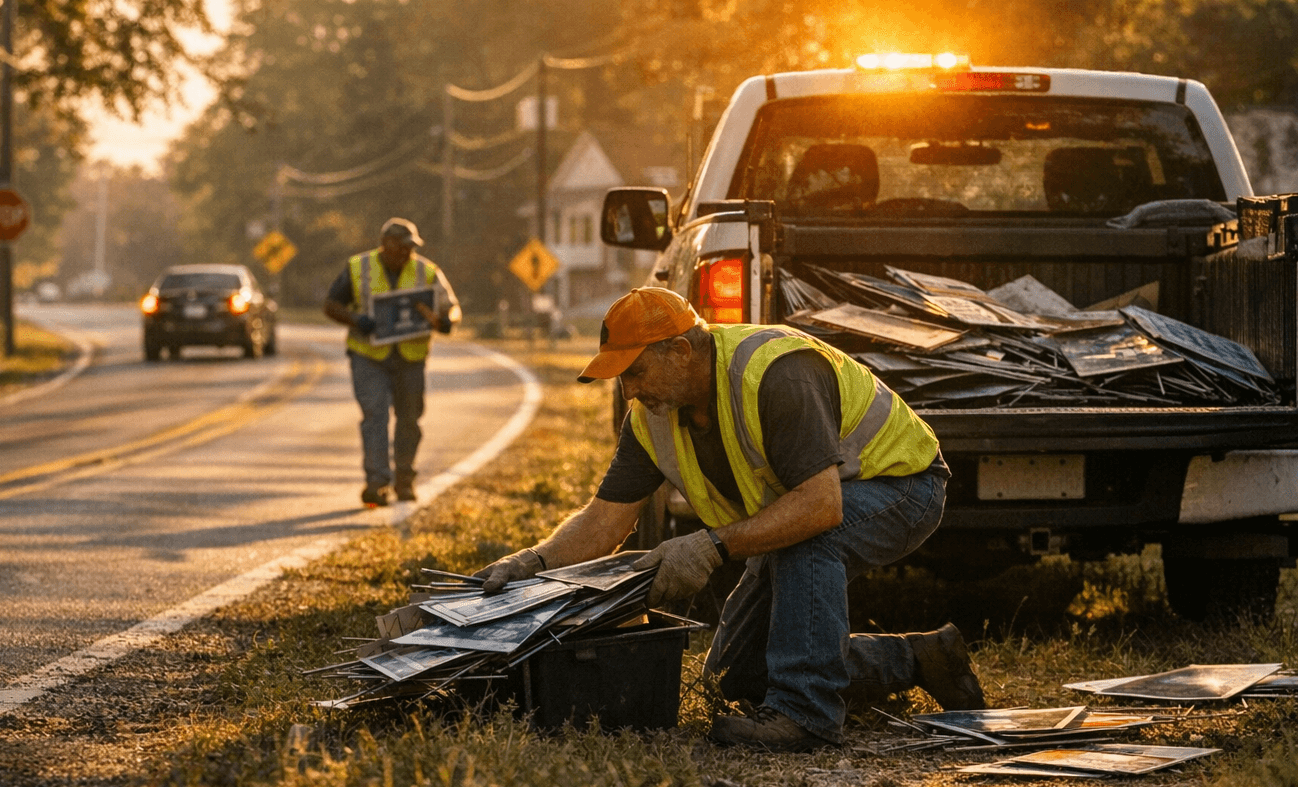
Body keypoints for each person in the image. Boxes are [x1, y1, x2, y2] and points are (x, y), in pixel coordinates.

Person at [476, 286, 984, 751]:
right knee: (733, 676)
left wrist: (709, 547)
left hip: (903, 487)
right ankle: (922, 659)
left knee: (812, 540)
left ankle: (805, 716)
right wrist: (532, 561)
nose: (628, 391)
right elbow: (604, 523)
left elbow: (820, 507)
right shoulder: (651, 419)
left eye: (634, 372)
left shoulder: (775, 373)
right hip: (802, 513)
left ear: (680, 352)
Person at [324, 217, 461, 507]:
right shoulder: (358, 268)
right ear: (386, 245)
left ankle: (405, 480)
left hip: (410, 359)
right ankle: (377, 484)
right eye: (402, 247)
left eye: (411, 247)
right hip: (368, 356)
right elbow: (331, 305)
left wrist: (446, 320)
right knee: (375, 417)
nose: (407, 253)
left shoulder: (427, 271)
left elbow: (452, 307)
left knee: (410, 420)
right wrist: (356, 320)